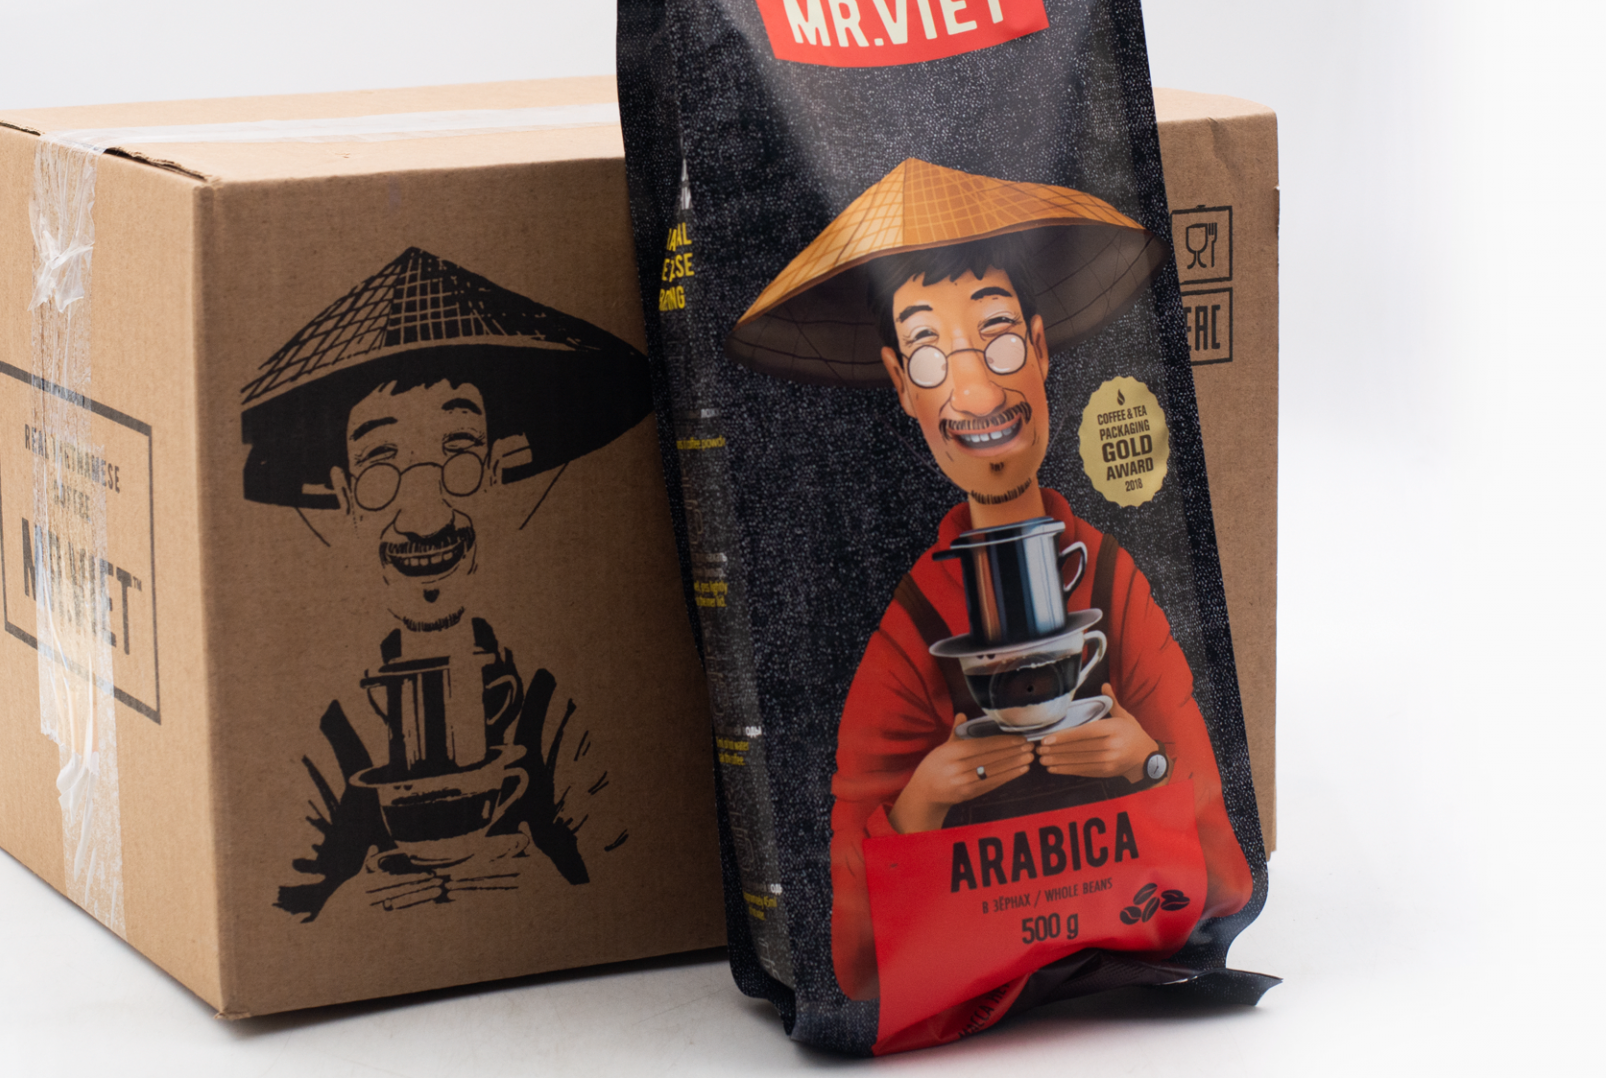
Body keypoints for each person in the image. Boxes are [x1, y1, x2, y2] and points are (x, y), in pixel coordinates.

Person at [725, 159, 1254, 1002]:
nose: (974, 390)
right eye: (930, 355)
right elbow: (854, 964)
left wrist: (1144, 761)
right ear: (902, 385)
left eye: (998, 336)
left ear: (1039, 351)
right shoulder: (909, 635)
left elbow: (1223, 880)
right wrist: (921, 802)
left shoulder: (1113, 585)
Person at [238, 247, 655, 916]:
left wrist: (545, 894)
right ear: (344, 497)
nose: (426, 514)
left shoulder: (546, 716)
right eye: (382, 467)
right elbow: (277, 917)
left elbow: (635, 886)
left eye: (457, 455)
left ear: (492, 477)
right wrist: (358, 911)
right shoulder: (336, 734)